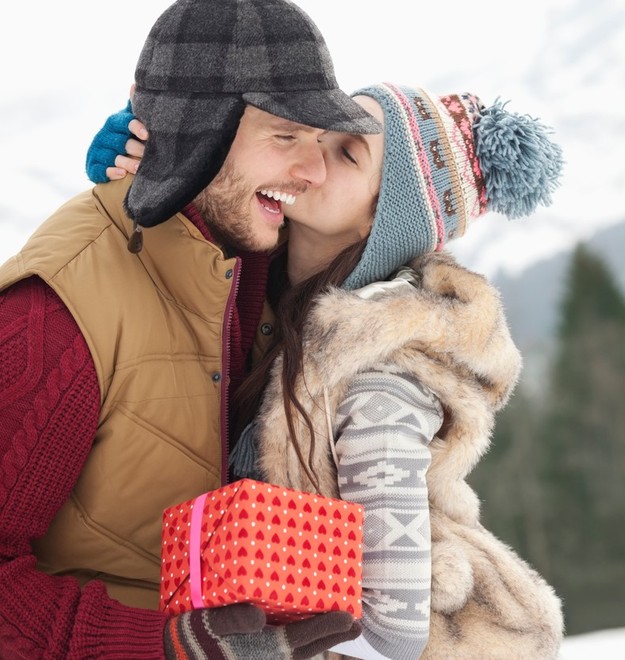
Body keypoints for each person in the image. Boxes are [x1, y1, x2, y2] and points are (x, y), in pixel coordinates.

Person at [88, 82, 567, 659]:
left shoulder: (378, 386)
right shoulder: (267, 297)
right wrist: (149, 171)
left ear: (385, 218)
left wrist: (258, 646)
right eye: (316, 132)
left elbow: (394, 632)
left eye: (347, 153)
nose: (310, 157)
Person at [0, 0, 380, 657]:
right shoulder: (58, 316)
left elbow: (390, 200)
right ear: (199, 129)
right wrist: (173, 649)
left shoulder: (248, 270)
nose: (314, 172)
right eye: (287, 136)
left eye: (320, 143)